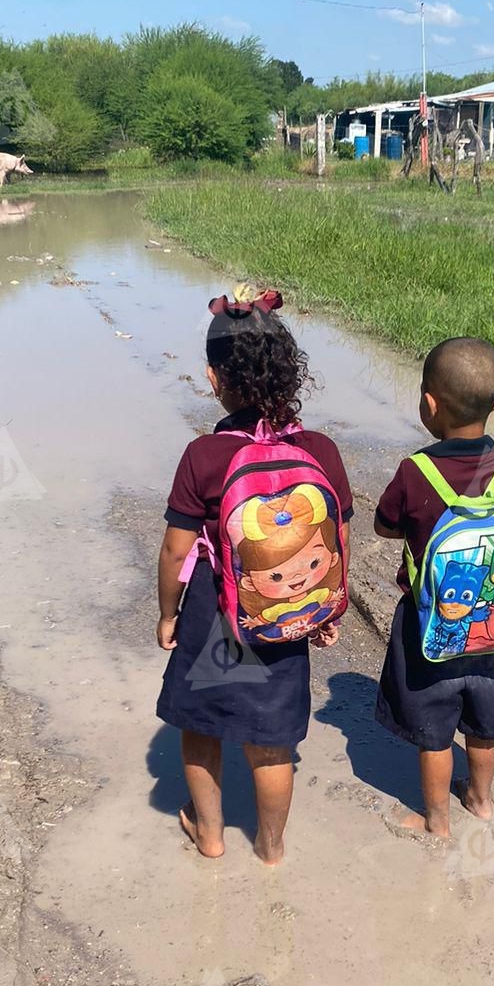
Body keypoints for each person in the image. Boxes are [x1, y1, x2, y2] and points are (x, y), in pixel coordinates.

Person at [156, 287, 352, 866]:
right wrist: (326, 605)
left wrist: (169, 613)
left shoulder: (204, 455)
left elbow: (174, 552)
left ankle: (211, 837)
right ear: (289, 373)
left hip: (215, 618)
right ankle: (271, 849)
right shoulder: (321, 449)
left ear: (215, 379)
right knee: (272, 744)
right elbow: (338, 538)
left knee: (201, 727)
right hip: (284, 614)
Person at [374, 337, 494, 838]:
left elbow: (386, 526)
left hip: (430, 623)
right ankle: (481, 801)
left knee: (435, 730)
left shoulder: (416, 472)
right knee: (483, 721)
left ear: (429, 404)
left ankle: (435, 820)